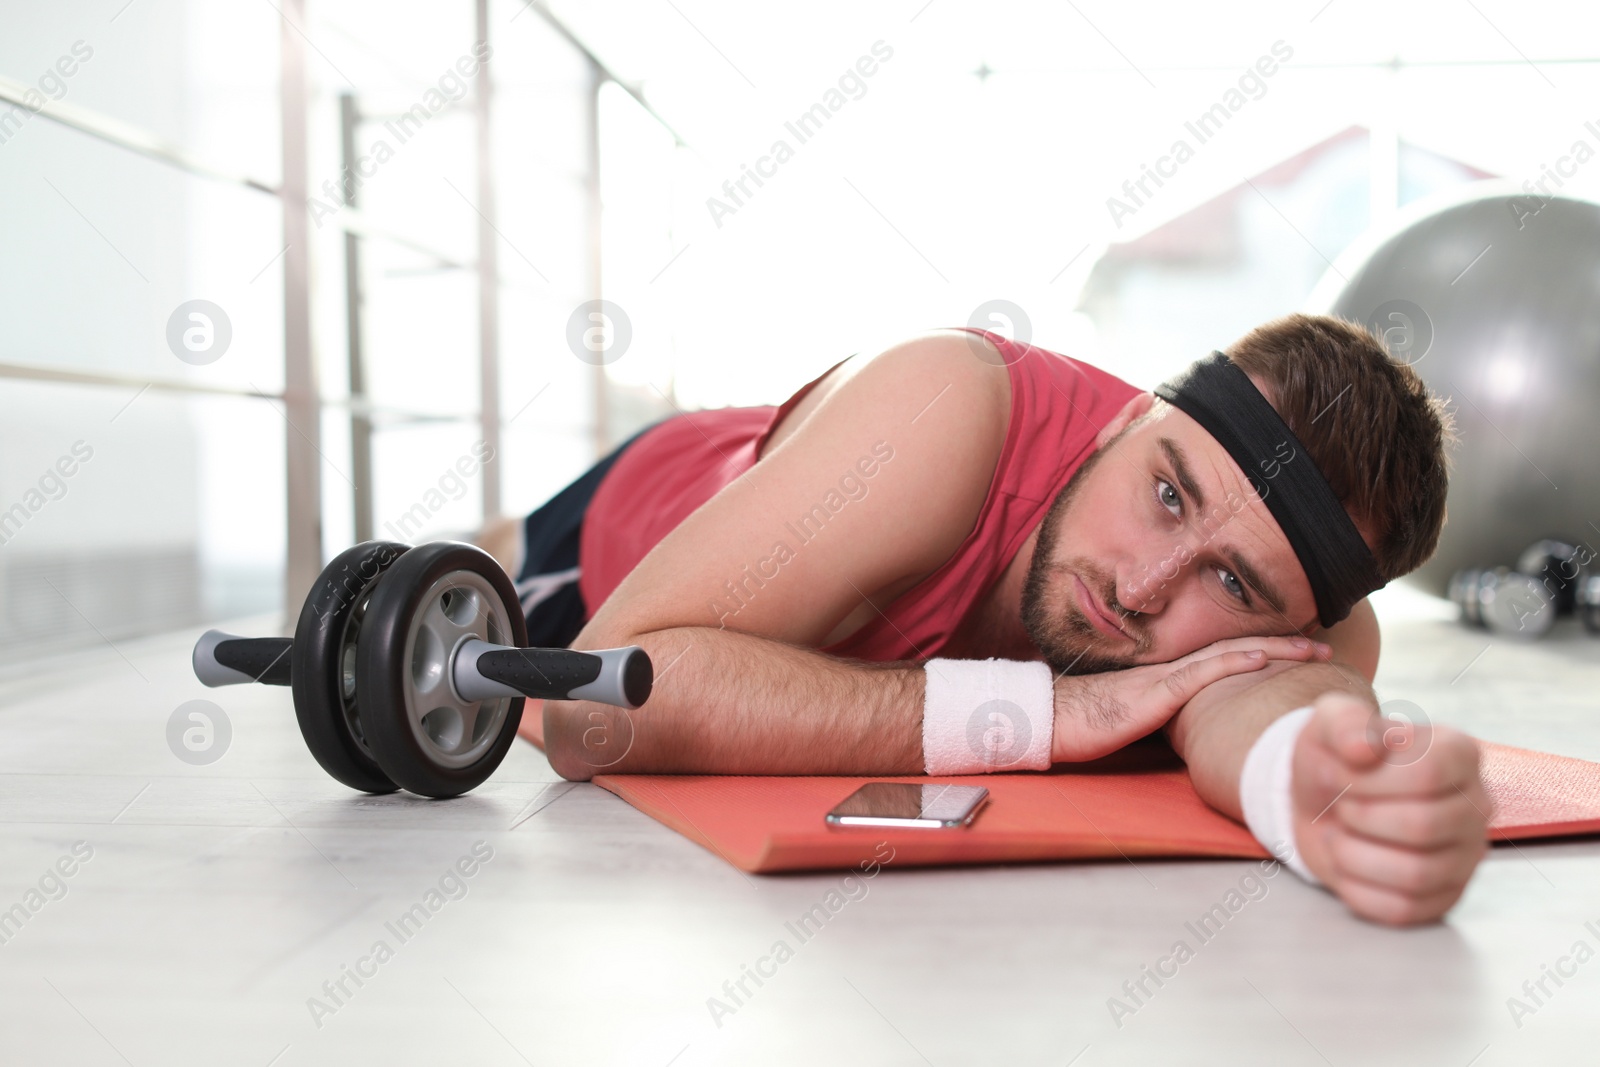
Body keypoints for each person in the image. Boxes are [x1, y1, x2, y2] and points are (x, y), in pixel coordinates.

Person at [477, 313, 1488, 927]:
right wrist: (1039, 712)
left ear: (1303, 617)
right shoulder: (947, 401)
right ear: (1135, 413)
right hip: (636, 516)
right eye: (1167, 495)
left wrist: (1322, 791)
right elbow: (589, 707)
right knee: (483, 567)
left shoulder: (1317, 634)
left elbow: (1278, 721)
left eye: (1228, 584)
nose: (1144, 585)